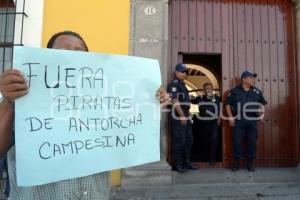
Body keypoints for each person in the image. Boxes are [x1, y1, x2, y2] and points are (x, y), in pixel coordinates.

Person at [0, 31, 170, 199]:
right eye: (64, 51)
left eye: (79, 51)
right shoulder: (23, 91)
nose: (73, 55)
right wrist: (8, 103)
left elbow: (129, 128)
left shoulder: (106, 95)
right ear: (48, 56)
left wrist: (151, 99)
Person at [226, 70, 267, 172]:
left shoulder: (257, 91)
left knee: (252, 142)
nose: (253, 79)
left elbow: (262, 104)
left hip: (252, 120)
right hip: (239, 120)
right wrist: (230, 117)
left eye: (253, 78)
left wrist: (262, 114)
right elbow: (227, 105)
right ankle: (236, 163)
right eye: (250, 77)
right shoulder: (234, 91)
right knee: (237, 142)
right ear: (244, 79)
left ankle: (250, 163)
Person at [167, 63, 198, 172]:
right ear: (176, 72)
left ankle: (186, 162)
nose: (185, 73)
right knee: (179, 140)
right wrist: (181, 115)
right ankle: (177, 164)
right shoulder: (174, 85)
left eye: (186, 72)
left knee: (189, 140)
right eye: (182, 71)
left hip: (185, 114)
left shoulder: (183, 85)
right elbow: (174, 101)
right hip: (178, 114)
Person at [191, 83, 221, 164]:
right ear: (204, 90)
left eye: (210, 88)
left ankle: (212, 157)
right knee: (205, 141)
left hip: (214, 123)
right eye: (207, 88)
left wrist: (220, 118)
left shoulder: (217, 98)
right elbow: (188, 100)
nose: (209, 89)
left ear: (212, 89)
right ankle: (207, 156)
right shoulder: (199, 98)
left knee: (214, 140)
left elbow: (222, 108)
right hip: (203, 123)